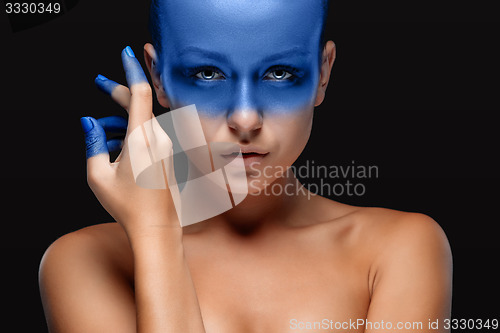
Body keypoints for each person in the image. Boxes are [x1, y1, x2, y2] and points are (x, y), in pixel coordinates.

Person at [39, 0, 453, 332]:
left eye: (279, 73)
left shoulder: (399, 247)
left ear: (322, 73)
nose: (245, 118)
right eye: (207, 73)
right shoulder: (85, 260)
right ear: (157, 77)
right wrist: (155, 234)